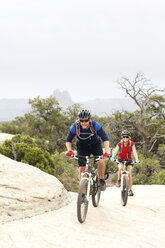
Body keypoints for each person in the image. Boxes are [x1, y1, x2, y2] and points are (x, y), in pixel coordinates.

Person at [66, 109, 109, 191]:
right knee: (82, 169)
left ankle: (102, 180)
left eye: (86, 121)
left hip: (95, 145)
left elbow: (105, 139)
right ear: (79, 120)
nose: (84, 123)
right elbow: (68, 140)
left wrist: (106, 152)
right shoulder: (74, 127)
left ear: (90, 119)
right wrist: (69, 150)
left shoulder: (95, 125)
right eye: (82, 121)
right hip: (82, 146)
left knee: (100, 161)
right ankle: (82, 193)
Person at [110, 130, 140, 196]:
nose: (125, 138)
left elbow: (134, 152)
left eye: (127, 137)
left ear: (129, 137)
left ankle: (130, 190)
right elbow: (115, 151)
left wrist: (137, 159)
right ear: (122, 137)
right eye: (124, 137)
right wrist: (112, 157)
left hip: (129, 160)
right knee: (120, 168)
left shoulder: (132, 144)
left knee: (129, 173)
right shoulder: (119, 144)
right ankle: (119, 180)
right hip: (120, 159)